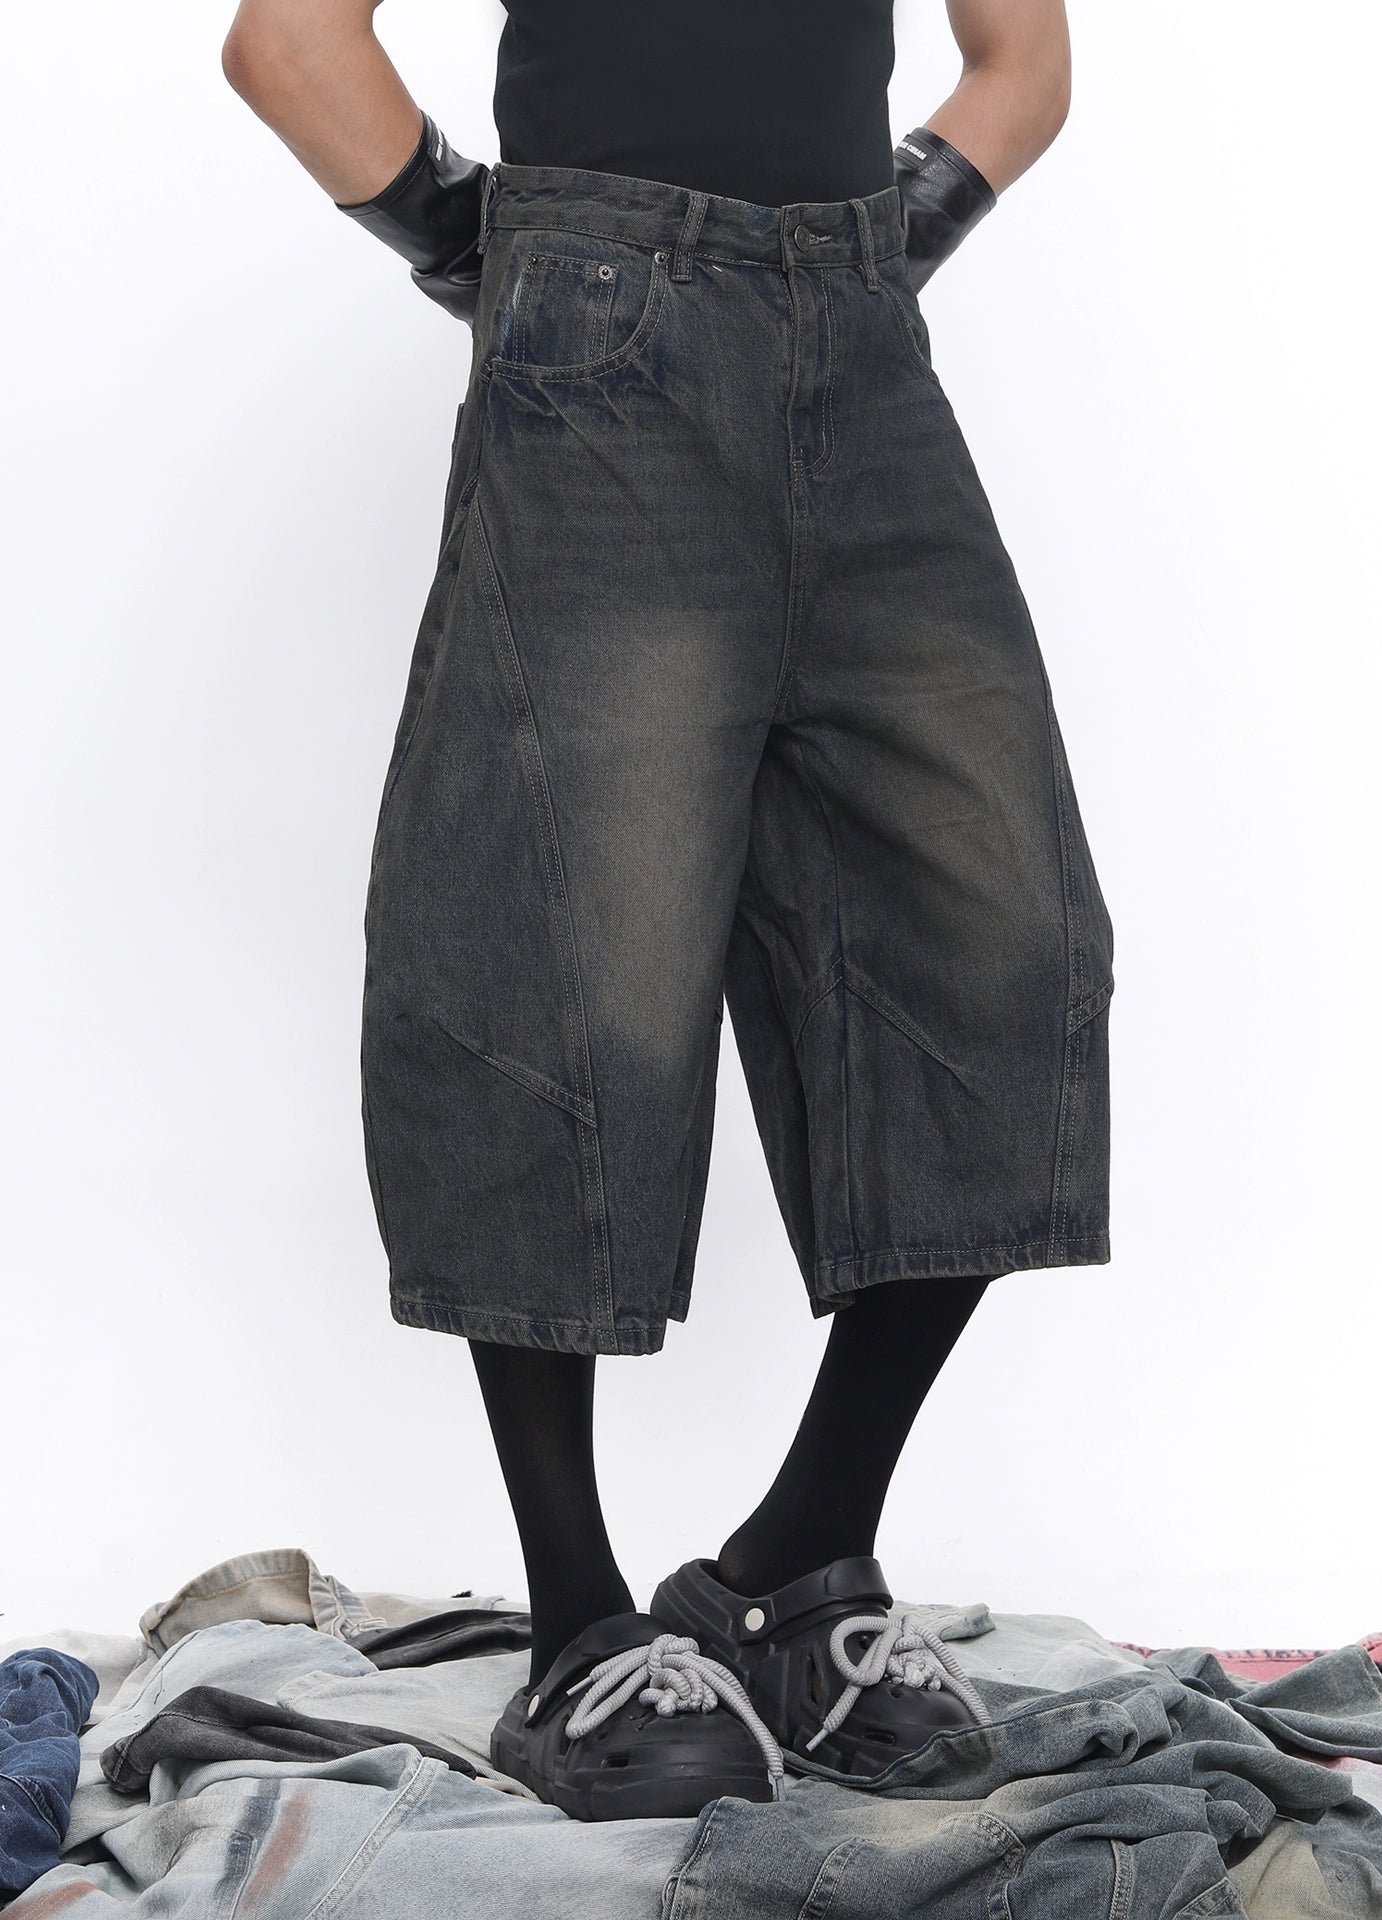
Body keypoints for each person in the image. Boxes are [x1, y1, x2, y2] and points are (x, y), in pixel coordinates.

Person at [221, 0, 1114, 1823]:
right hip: (597, 336)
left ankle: (794, 1565)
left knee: (1003, 953)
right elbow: (287, 40)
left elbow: (1024, 61)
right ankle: (576, 1626)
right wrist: (501, 257)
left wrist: (883, 241)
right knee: (570, 971)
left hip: (863, 338)